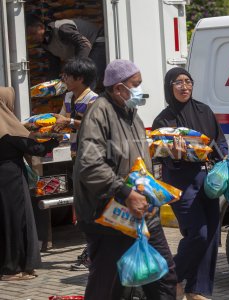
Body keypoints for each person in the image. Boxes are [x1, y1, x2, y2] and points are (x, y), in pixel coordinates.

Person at [73, 59, 177, 300]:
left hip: (142, 214)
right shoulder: (99, 113)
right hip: (108, 216)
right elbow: (90, 165)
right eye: (136, 84)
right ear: (118, 88)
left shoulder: (132, 114)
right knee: (109, 284)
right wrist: (126, 193)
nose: (140, 89)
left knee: (163, 276)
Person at [152, 67, 228, 300]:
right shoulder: (163, 120)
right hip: (180, 184)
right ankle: (170, 279)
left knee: (212, 235)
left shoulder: (204, 111)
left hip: (209, 182)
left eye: (188, 81)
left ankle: (197, 291)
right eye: (178, 82)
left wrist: (222, 155)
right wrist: (173, 155)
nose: (184, 86)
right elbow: (158, 154)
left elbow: (220, 141)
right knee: (199, 233)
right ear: (169, 87)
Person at [0, 87, 59, 281]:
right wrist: (55, 140)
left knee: (8, 221)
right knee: (17, 221)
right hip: (11, 180)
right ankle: (13, 269)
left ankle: (19, 266)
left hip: (6, 179)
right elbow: (36, 149)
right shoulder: (8, 128)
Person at [53, 57, 98, 270]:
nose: (64, 78)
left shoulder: (94, 100)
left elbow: (93, 126)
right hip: (75, 156)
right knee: (81, 205)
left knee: (91, 205)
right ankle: (91, 249)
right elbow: (63, 119)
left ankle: (93, 251)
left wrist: (69, 122)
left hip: (91, 157)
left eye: (67, 75)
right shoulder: (69, 96)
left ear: (79, 78)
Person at [26, 15, 106, 91]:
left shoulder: (62, 29)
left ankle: (85, 103)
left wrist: (75, 69)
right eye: (29, 36)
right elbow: (54, 66)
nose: (32, 38)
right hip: (88, 51)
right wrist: (48, 85)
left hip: (98, 41)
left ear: (41, 27)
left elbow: (84, 45)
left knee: (88, 78)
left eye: (33, 34)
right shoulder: (46, 45)